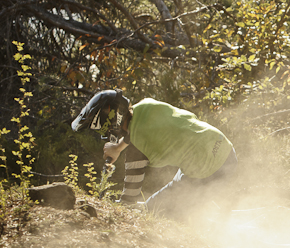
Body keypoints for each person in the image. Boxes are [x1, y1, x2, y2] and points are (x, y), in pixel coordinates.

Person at [71, 89, 237, 218]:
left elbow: (129, 200)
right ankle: (225, 216)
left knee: (152, 211)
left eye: (99, 128)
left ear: (111, 121)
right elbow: (139, 130)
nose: (101, 132)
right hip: (223, 147)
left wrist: (110, 207)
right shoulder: (145, 106)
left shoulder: (136, 150)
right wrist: (118, 148)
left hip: (207, 168)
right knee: (171, 197)